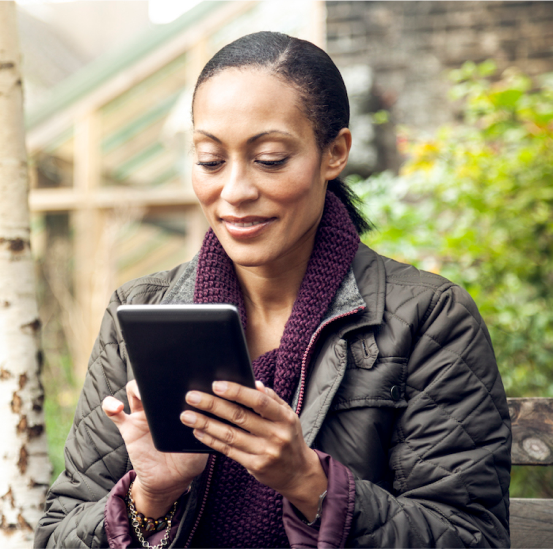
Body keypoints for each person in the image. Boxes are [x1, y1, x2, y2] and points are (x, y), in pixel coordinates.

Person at [34, 32, 511, 549]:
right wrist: (150, 496)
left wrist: (310, 482)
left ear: (335, 153)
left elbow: (471, 537)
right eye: (211, 161)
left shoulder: (428, 317)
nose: (235, 191)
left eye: (270, 159)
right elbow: (57, 534)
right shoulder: (142, 311)